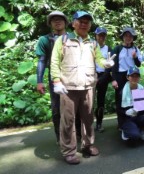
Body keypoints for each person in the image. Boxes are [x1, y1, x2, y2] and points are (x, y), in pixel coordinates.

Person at [50, 11, 115, 164]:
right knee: (68, 120)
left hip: (88, 86)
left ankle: (88, 145)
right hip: (68, 87)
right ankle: (69, 151)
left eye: (87, 22)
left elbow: (98, 58)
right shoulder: (63, 39)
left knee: (87, 119)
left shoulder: (92, 43)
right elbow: (54, 62)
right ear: (73, 23)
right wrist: (56, 81)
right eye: (81, 21)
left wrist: (105, 64)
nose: (84, 24)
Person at [35, 11, 80, 144]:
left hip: (73, 76)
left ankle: (77, 134)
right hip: (55, 78)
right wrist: (39, 81)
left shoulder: (74, 37)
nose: (57, 21)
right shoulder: (45, 40)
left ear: (66, 22)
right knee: (56, 109)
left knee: (76, 107)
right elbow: (42, 60)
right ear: (50, 23)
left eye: (60, 19)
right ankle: (60, 137)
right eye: (53, 19)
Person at [111, 27, 142, 129]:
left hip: (132, 75)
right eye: (126, 36)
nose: (128, 38)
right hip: (120, 75)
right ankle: (121, 123)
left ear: (133, 38)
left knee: (134, 97)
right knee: (120, 99)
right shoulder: (117, 49)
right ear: (123, 37)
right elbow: (113, 65)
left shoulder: (136, 49)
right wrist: (114, 79)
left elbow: (139, 64)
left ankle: (134, 121)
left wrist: (135, 57)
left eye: (130, 36)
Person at [120, 66, 144, 141]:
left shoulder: (143, 89)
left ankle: (141, 130)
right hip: (127, 119)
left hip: (139, 116)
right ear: (127, 77)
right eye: (132, 76)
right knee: (134, 136)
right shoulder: (121, 92)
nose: (134, 78)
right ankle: (126, 131)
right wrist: (126, 112)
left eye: (137, 76)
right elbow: (118, 110)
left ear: (139, 78)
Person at [94, 27, 112, 132]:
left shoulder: (108, 49)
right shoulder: (91, 47)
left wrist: (103, 78)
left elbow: (110, 65)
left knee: (101, 101)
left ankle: (99, 123)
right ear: (95, 36)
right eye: (99, 35)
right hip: (91, 76)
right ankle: (84, 125)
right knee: (87, 102)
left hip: (103, 77)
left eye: (103, 35)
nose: (101, 37)